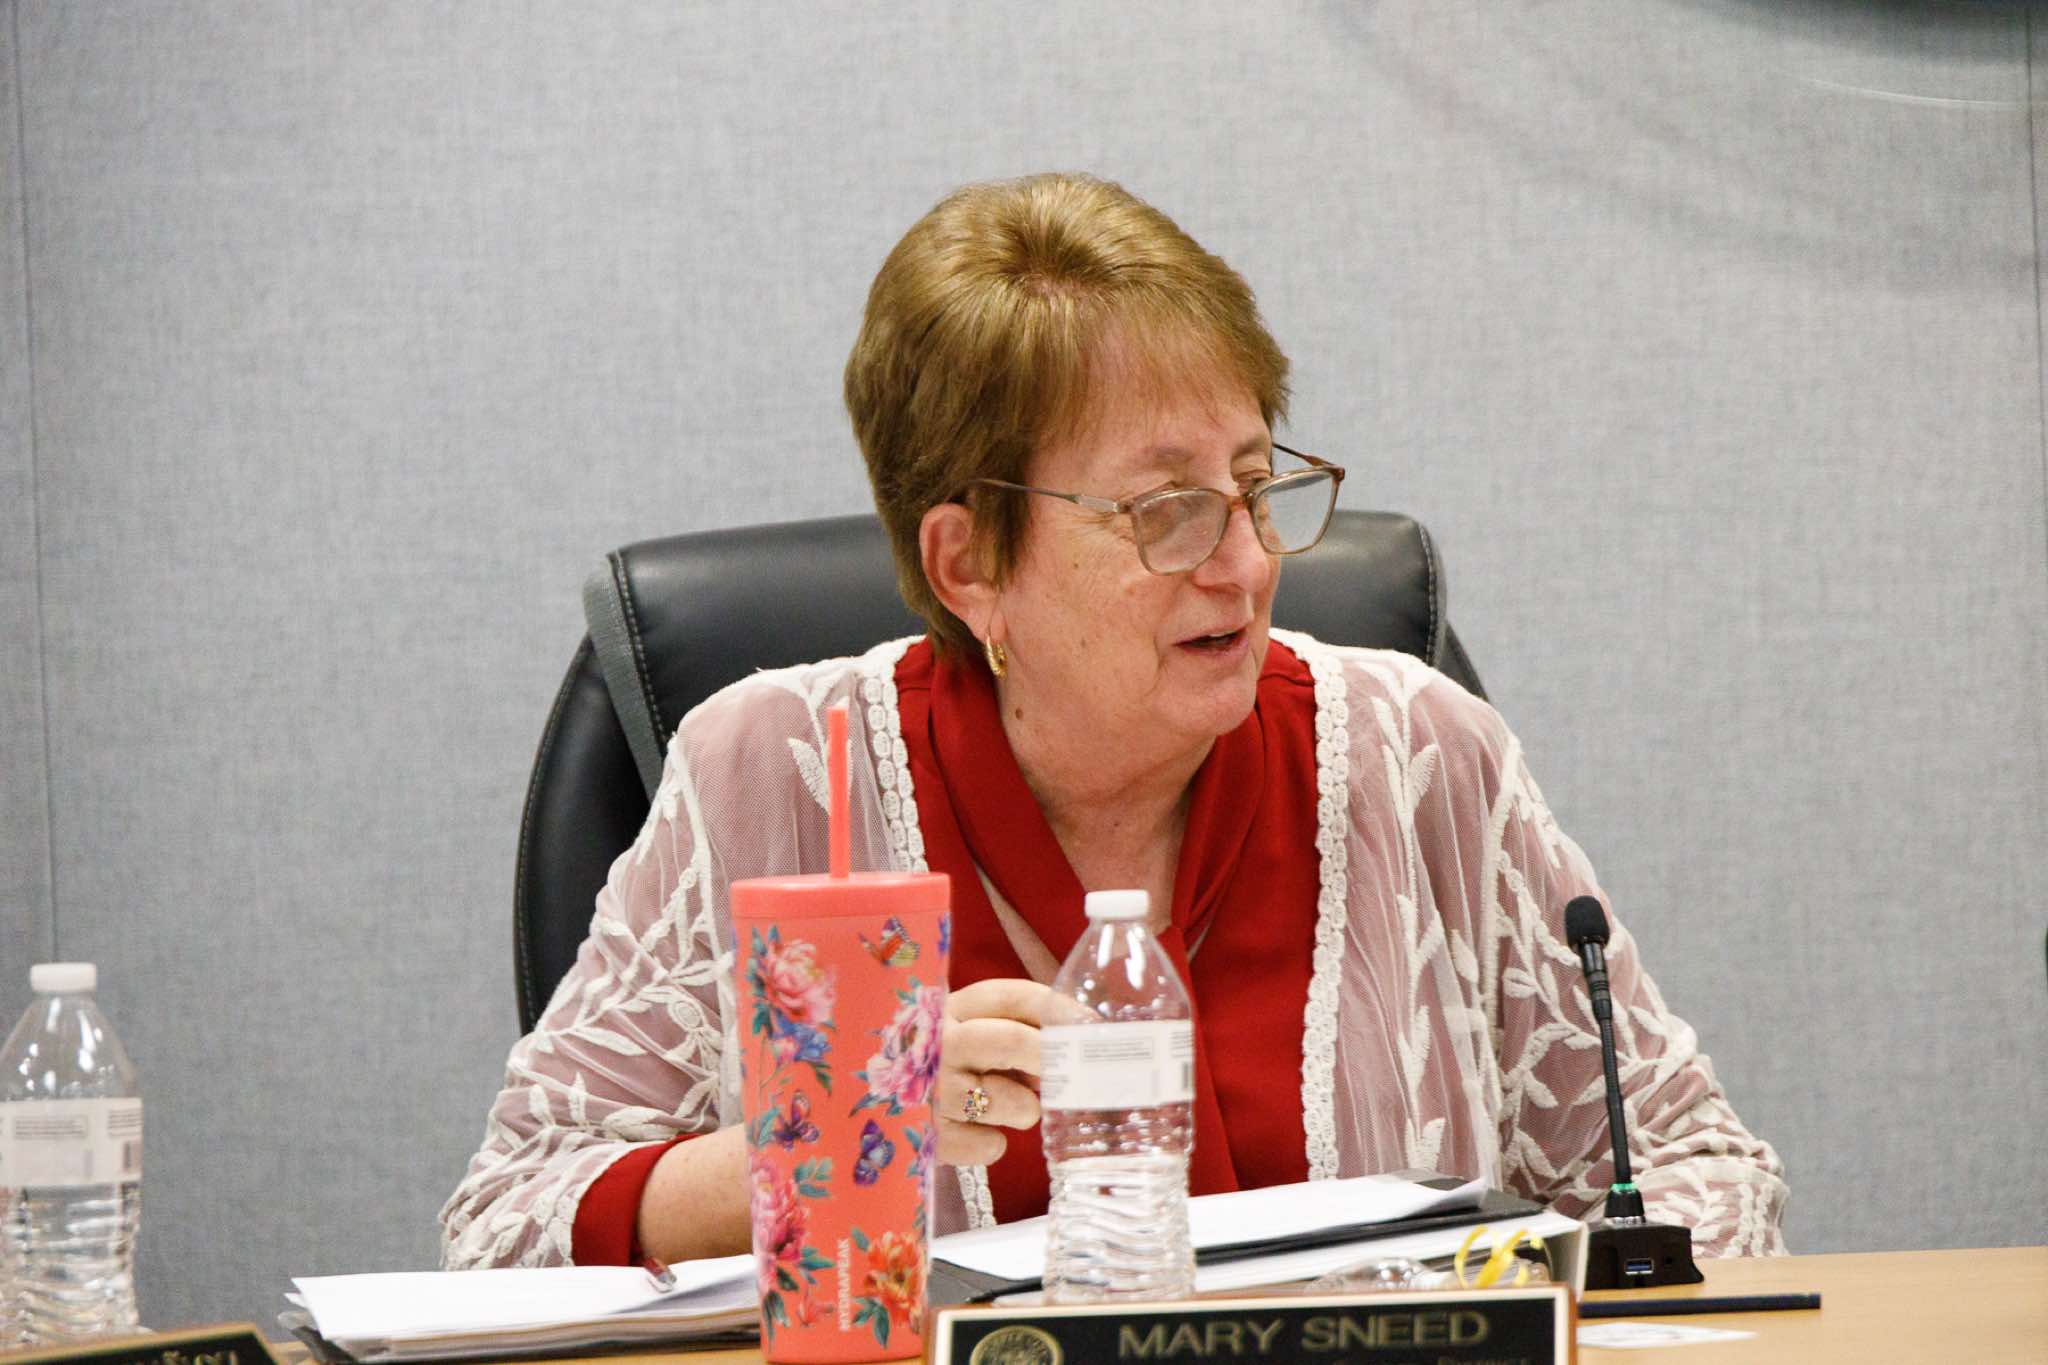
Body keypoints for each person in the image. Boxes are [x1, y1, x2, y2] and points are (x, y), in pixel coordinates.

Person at [440, 172, 1787, 1272]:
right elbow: (504, 1225)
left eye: (1254, 487)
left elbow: (1699, 1171)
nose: (1246, 564)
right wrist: (831, 1132)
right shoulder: (776, 775)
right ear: (971, 563)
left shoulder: (1418, 754)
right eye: (1167, 511)